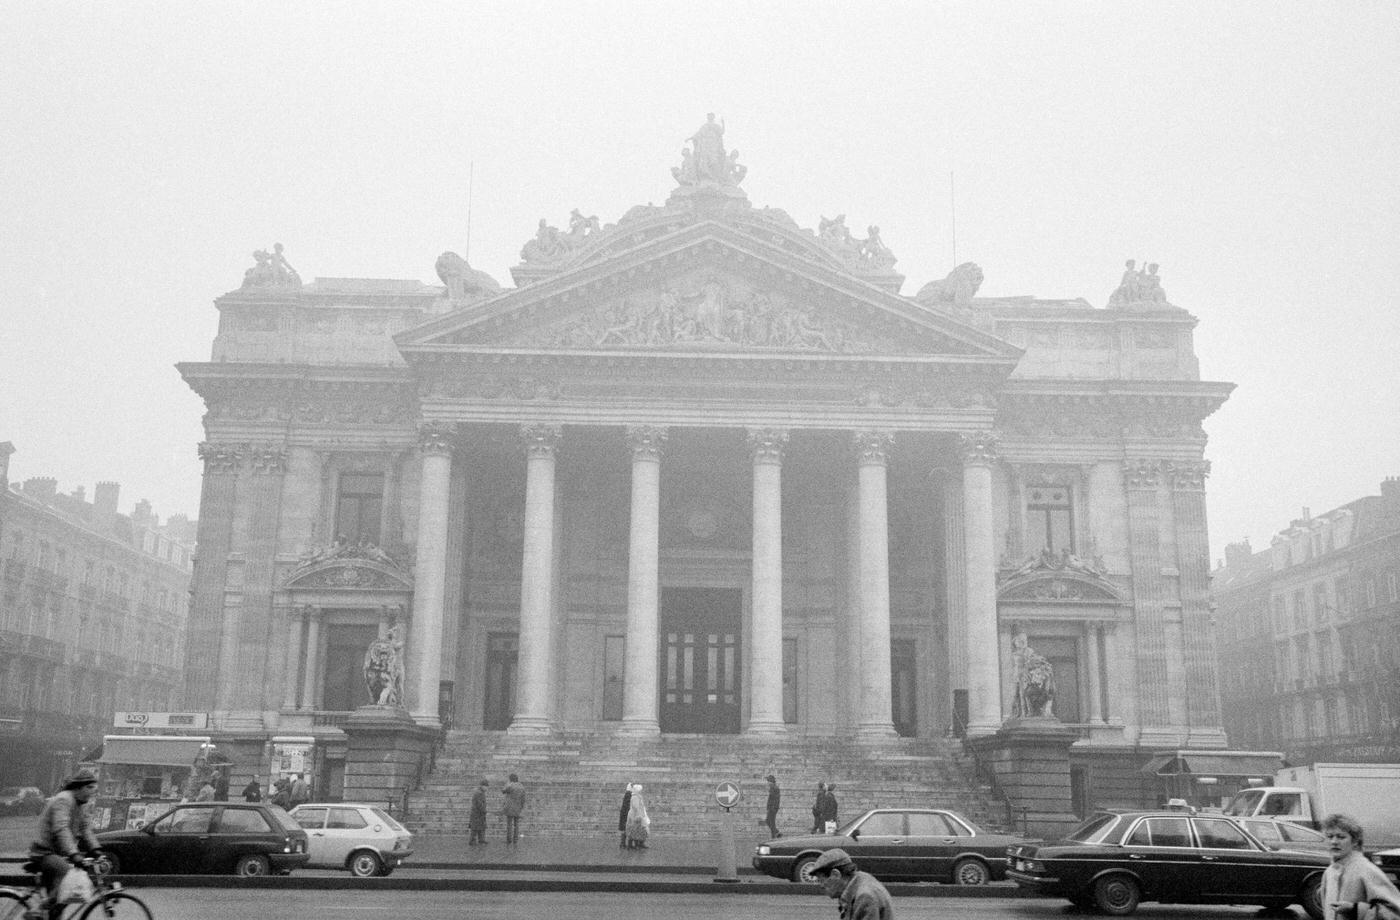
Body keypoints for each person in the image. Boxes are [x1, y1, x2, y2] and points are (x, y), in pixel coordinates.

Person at [29, 768, 102, 916]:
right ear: (78, 787)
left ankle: (49, 911)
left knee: (60, 901)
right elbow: (61, 829)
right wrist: (74, 853)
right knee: (67, 874)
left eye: (94, 787)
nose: (92, 791)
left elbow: (86, 829)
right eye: (89, 787)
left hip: (56, 853)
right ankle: (37, 911)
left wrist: (96, 850)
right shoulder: (64, 799)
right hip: (43, 851)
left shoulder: (82, 804)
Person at [1321, 813, 1400, 920]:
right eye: (1330, 837)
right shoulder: (1329, 872)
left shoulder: (1366, 870)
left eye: (1341, 837)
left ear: (1354, 841)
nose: (1334, 842)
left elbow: (1394, 911)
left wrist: (1355, 909)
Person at [810, 847, 894, 920]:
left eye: (821, 879)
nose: (821, 885)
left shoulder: (864, 897)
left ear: (835, 874)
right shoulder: (861, 880)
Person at [501, 773, 526, 845]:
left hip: (510, 807)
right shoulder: (522, 787)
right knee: (516, 824)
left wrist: (508, 784)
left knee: (509, 824)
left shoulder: (510, 785)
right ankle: (515, 840)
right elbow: (523, 799)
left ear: (510, 779)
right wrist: (521, 807)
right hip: (518, 808)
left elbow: (503, 791)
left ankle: (509, 840)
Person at [625, 784, 650, 849]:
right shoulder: (635, 797)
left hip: (638, 814)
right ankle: (633, 845)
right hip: (635, 815)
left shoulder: (638, 796)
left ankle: (639, 844)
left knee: (638, 829)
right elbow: (636, 807)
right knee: (634, 829)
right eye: (640, 790)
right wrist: (639, 815)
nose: (641, 791)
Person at [468, 779, 488, 846]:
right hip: (477, 813)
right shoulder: (479, 793)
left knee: (480, 827)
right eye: (486, 786)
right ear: (482, 786)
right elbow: (479, 804)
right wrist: (484, 810)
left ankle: (481, 840)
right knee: (475, 828)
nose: (487, 788)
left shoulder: (480, 792)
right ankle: (472, 841)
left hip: (478, 813)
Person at [764, 774, 781, 839]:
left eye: (768, 781)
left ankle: (773, 837)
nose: (767, 782)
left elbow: (775, 799)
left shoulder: (774, 788)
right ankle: (776, 832)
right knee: (768, 821)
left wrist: (772, 808)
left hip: (773, 808)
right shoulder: (773, 787)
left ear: (771, 781)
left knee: (771, 822)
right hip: (772, 807)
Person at [618, 783, 633, 848]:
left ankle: (623, 843)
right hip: (626, 814)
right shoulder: (628, 794)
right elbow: (627, 806)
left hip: (624, 814)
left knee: (625, 829)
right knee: (626, 829)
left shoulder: (628, 794)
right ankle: (623, 843)